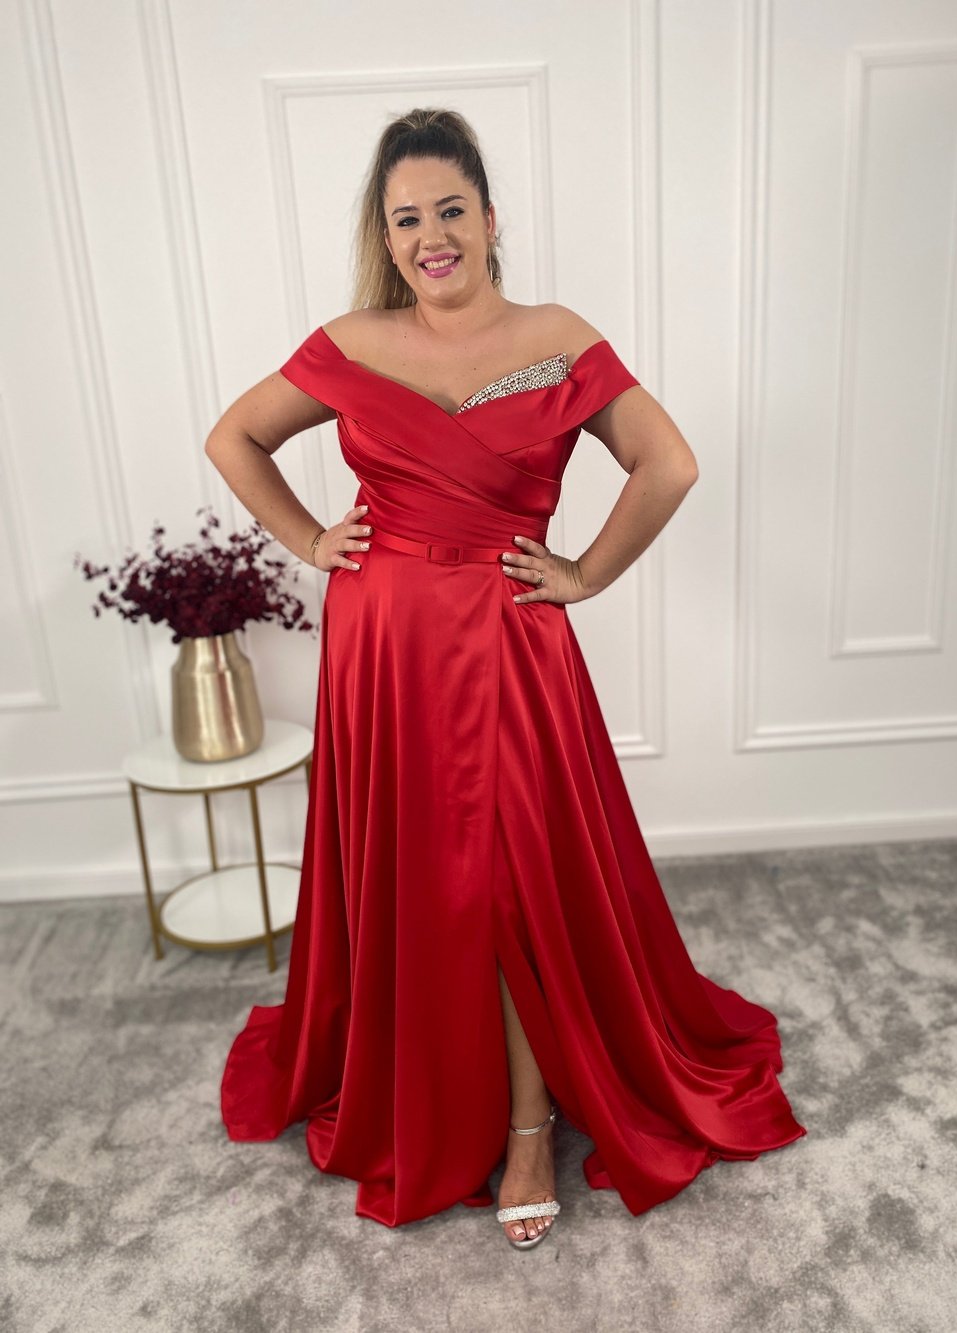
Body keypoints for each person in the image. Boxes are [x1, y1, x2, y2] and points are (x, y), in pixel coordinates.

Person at [207, 107, 807, 1249]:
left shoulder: (557, 335)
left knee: (511, 883)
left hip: (504, 637)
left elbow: (668, 461)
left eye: (450, 211)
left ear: (490, 218)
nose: (431, 237)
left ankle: (528, 1123)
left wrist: (583, 572)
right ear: (386, 237)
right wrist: (308, 539)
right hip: (384, 641)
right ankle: (438, 1086)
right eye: (406, 220)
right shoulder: (350, 342)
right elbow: (234, 436)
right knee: (423, 876)